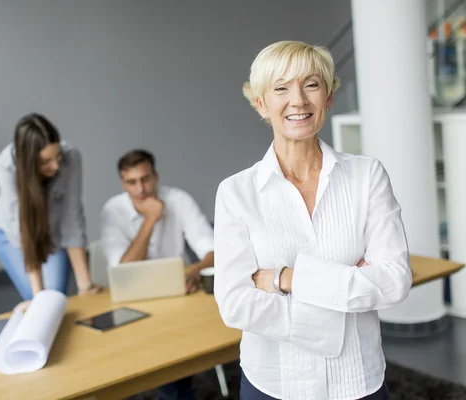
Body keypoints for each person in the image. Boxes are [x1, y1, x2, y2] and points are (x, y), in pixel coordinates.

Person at [213, 41, 411, 400]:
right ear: (261, 104)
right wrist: (348, 287)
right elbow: (235, 303)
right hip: (273, 383)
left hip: (358, 381)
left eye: (312, 84)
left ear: (329, 97)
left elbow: (394, 281)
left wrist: (285, 279)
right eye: (281, 88)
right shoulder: (236, 192)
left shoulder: (368, 176)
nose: (299, 100)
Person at [100, 149, 215, 400]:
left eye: (145, 179)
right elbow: (123, 271)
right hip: (133, 302)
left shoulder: (178, 199)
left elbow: (213, 249)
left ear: (156, 176)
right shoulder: (113, 210)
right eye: (132, 182)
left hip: (180, 296)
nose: (140, 188)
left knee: (180, 358)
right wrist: (151, 219)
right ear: (123, 183)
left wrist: (194, 272)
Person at [0, 113, 101, 312]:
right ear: (28, 161)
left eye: (57, 156)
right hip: (15, 236)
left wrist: (86, 285)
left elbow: (72, 219)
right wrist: (38, 297)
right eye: (46, 161)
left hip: (53, 230)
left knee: (57, 297)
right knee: (44, 304)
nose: (56, 166)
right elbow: (25, 232)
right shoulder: (6, 167)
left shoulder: (71, 157)